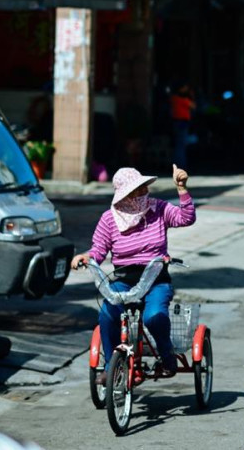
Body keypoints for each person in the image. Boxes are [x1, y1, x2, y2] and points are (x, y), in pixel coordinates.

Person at [71, 164, 196, 384]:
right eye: (135, 190)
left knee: (154, 316)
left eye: (143, 188)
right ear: (124, 195)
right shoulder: (109, 219)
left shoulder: (158, 209)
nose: (142, 194)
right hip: (124, 280)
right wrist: (86, 257)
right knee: (107, 314)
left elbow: (185, 218)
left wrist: (182, 189)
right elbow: (98, 250)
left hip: (156, 279)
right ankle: (111, 368)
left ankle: (166, 355)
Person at [170, 82, 196, 168]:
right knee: (181, 144)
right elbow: (193, 106)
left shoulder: (174, 98)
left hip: (177, 122)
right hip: (181, 122)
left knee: (179, 144)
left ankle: (178, 164)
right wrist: (191, 96)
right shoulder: (180, 99)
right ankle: (181, 165)